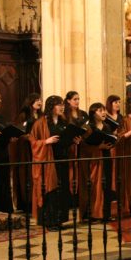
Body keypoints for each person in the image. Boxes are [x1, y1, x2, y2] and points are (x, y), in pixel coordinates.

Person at [29, 95, 73, 231]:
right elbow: (33, 142)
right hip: (48, 162)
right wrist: (45, 142)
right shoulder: (41, 123)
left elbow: (66, 139)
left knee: (62, 190)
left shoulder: (63, 122)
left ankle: (59, 220)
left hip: (62, 160)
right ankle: (49, 221)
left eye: (62, 104)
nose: (62, 107)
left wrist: (74, 140)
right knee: (51, 191)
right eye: (58, 105)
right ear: (51, 107)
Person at [79, 103, 115, 221]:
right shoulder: (88, 127)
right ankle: (93, 213)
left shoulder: (107, 126)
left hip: (106, 157)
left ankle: (106, 213)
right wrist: (98, 147)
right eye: (100, 111)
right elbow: (83, 146)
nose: (104, 112)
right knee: (94, 186)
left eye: (104, 110)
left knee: (107, 185)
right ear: (93, 113)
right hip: (93, 161)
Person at [12, 93, 43, 213]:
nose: (39, 102)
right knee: (27, 174)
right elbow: (18, 133)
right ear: (30, 102)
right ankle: (27, 202)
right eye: (36, 100)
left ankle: (38, 200)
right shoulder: (23, 115)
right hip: (26, 149)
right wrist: (28, 136)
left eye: (40, 100)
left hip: (38, 147)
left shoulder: (42, 115)